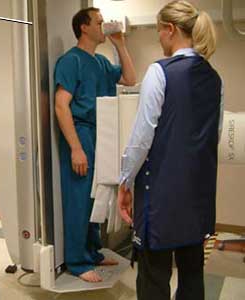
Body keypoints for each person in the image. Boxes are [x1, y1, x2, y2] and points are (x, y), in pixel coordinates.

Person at [117, 1, 224, 299]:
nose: (158, 39)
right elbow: (211, 138)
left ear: (170, 30)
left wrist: (125, 181)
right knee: (192, 275)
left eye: (159, 31)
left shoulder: (160, 72)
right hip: (198, 197)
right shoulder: (215, 79)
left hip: (160, 195)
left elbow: (141, 138)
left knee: (154, 276)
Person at [54, 7, 136, 282]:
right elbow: (61, 106)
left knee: (97, 195)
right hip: (82, 133)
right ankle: (77, 261)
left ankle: (92, 252)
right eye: (100, 22)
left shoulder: (100, 62)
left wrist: (120, 44)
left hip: (103, 134)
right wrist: (76, 148)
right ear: (84, 27)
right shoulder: (71, 61)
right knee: (79, 198)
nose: (105, 25)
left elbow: (130, 78)